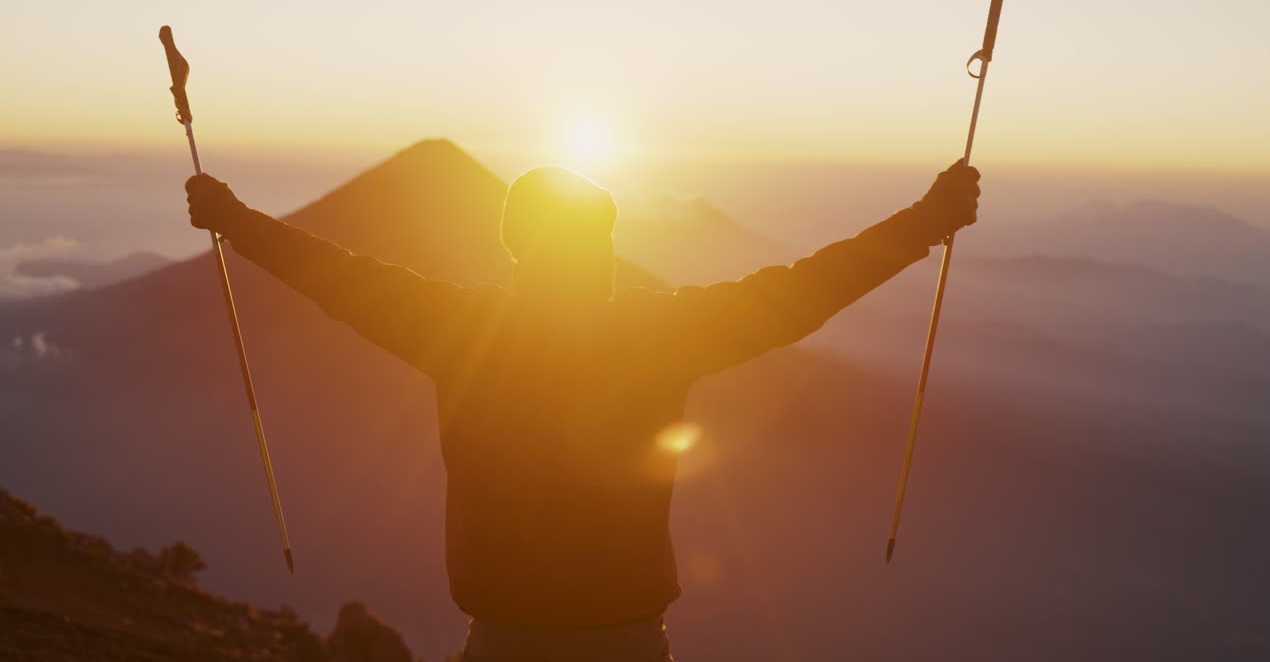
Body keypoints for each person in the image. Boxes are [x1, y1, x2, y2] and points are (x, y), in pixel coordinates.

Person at [185, 160, 980, 661]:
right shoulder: (660, 333)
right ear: (600, 243)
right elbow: (803, 291)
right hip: (625, 643)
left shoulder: (458, 331)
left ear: (517, 248)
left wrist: (234, 219)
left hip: (502, 639)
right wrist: (927, 222)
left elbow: (335, 275)